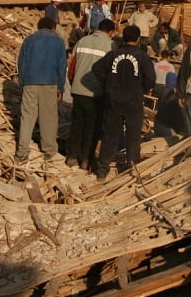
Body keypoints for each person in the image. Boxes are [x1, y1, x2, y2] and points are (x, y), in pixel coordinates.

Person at [93, 25, 155, 181]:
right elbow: (151, 79)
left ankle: (102, 171)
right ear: (138, 39)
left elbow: (96, 68)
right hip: (133, 102)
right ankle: (132, 168)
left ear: (123, 38)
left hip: (113, 100)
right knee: (133, 137)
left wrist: (107, 83)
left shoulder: (113, 54)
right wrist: (144, 88)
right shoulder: (142, 57)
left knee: (109, 136)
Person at [15, 17, 68, 170]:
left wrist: (23, 82)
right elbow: (61, 65)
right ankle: (49, 150)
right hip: (50, 83)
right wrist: (60, 87)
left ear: (38, 27)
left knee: (27, 116)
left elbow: (21, 63)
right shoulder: (58, 42)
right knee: (49, 117)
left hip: (30, 82)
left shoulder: (29, 40)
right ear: (53, 28)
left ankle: (22, 152)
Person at [65, 18, 115, 171]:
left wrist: (73, 83)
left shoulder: (82, 41)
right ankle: (86, 159)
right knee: (92, 128)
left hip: (78, 90)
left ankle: (72, 156)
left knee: (77, 125)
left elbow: (72, 65)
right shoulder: (110, 45)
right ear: (111, 32)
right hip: (96, 93)